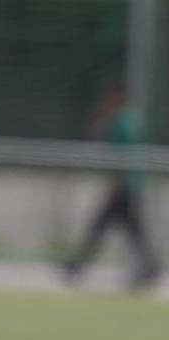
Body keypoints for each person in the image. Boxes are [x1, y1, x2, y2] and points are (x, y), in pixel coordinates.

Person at [62, 82, 162, 290]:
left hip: (123, 186)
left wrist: (115, 184)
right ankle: (150, 268)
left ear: (115, 100)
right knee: (133, 231)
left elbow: (121, 156)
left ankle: (77, 266)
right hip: (129, 185)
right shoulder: (130, 120)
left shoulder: (120, 122)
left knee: (101, 227)